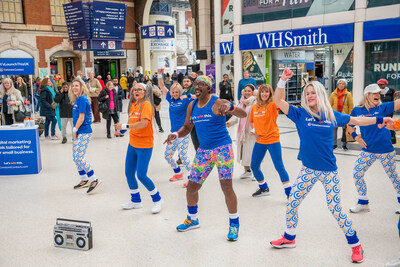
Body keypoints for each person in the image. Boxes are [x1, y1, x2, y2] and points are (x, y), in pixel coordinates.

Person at [269, 69, 393, 263]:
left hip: (328, 172)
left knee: (335, 209)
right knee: (292, 204)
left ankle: (356, 245)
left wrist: (380, 119)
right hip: (308, 170)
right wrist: (283, 79)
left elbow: (358, 120)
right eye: (307, 93)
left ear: (320, 95)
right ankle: (289, 238)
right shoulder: (299, 114)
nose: (310, 96)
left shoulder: (331, 116)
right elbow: (277, 100)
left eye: (313, 92)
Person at [165, 76, 247, 241]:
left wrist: (230, 106)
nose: (197, 86)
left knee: (226, 187)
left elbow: (243, 113)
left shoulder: (217, 102)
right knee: (192, 188)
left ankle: (234, 224)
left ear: (209, 88)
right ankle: (192, 219)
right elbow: (188, 127)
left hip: (222, 149)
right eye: (196, 84)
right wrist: (175, 134)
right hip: (204, 152)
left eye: (201, 84)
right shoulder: (192, 105)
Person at [347, 83, 400, 214]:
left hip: (385, 150)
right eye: (375, 93)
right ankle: (363, 202)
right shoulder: (358, 110)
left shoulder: (383, 107)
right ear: (367, 95)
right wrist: (356, 137)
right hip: (368, 150)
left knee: (393, 176)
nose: (378, 96)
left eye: (379, 94)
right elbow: (350, 125)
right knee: (357, 174)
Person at [114, 83, 163, 214]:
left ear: (145, 92)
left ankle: (157, 199)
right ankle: (136, 201)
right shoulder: (134, 105)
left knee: (141, 175)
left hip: (145, 145)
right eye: (135, 90)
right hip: (133, 144)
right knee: (129, 173)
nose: (137, 92)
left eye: (139, 90)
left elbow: (143, 123)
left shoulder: (146, 104)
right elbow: (132, 123)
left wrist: (124, 125)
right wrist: (122, 131)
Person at [247, 84, 292, 198]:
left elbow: (281, 97)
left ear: (270, 93)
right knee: (254, 166)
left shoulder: (273, 105)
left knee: (279, 166)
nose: (264, 94)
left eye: (267, 92)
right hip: (260, 141)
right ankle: (263, 188)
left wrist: (283, 82)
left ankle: (289, 193)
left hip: (272, 140)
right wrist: (254, 131)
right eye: (262, 92)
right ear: (259, 93)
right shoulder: (255, 107)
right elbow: (251, 121)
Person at [158, 69, 194, 185]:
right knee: (167, 156)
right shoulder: (170, 99)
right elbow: (162, 86)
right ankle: (178, 173)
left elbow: (199, 96)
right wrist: (159, 74)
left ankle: (192, 177)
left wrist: (188, 95)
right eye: (173, 92)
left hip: (184, 132)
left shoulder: (185, 99)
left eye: (177, 92)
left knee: (183, 156)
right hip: (173, 133)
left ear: (180, 92)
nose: (174, 94)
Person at [69, 78, 101, 194]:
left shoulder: (82, 99)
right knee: (75, 157)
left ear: (82, 87)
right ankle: (84, 179)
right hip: (78, 131)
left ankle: (94, 179)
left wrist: (75, 129)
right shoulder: (78, 99)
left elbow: (82, 117)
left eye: (77, 86)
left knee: (79, 157)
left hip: (84, 131)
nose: (74, 88)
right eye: (73, 86)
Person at [227, 84, 257, 180]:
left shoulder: (255, 102)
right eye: (245, 91)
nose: (247, 93)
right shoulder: (241, 103)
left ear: (253, 92)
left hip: (252, 131)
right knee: (243, 151)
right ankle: (247, 171)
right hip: (242, 131)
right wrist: (229, 122)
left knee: (252, 151)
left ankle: (256, 172)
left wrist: (256, 129)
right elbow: (236, 115)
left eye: (249, 91)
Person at [329, 79, 354, 150]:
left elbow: (351, 106)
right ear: (337, 85)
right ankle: (334, 144)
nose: (341, 85)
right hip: (335, 115)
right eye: (339, 83)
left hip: (344, 115)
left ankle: (344, 145)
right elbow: (329, 105)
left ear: (345, 85)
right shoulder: (333, 94)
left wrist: (350, 116)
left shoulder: (348, 94)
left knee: (345, 130)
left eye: (342, 84)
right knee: (334, 130)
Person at [378, 78, 397, 144]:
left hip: (389, 109)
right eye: (379, 85)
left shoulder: (391, 91)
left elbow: (394, 100)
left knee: (389, 122)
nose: (380, 86)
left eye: (382, 84)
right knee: (381, 123)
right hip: (381, 109)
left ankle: (392, 138)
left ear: (386, 84)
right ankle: (382, 138)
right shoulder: (378, 91)